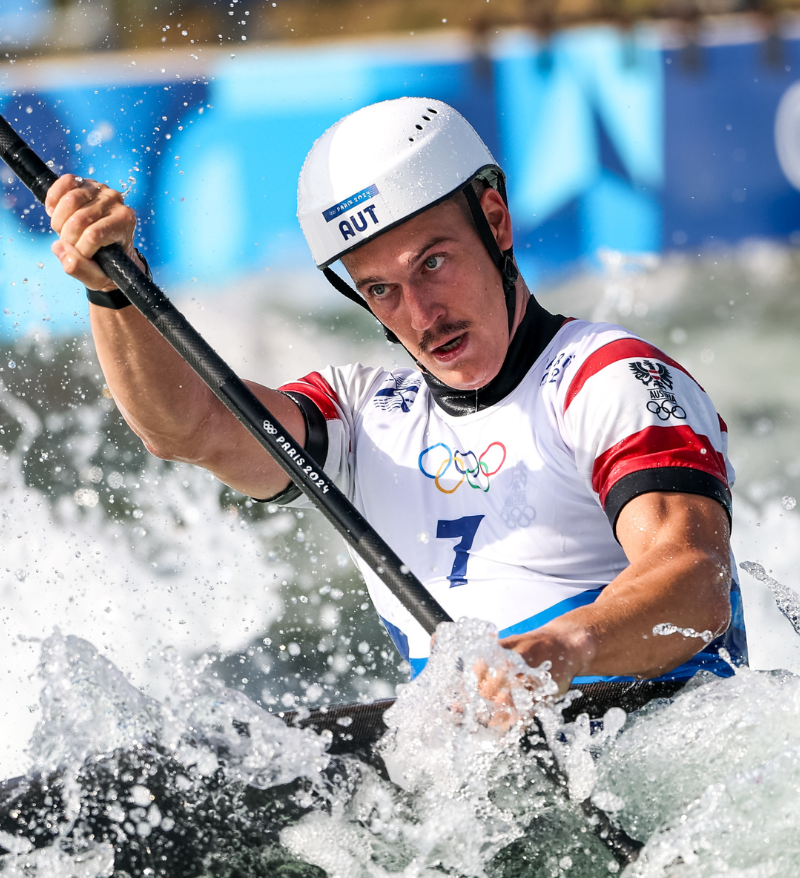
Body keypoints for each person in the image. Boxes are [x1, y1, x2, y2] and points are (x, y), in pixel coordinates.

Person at [43, 97, 746, 694]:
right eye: (381, 289)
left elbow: (694, 578)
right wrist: (112, 291)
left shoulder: (607, 377)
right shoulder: (359, 418)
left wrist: (559, 652)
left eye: (432, 263)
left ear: (495, 221)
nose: (420, 312)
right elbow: (186, 428)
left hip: (661, 748)